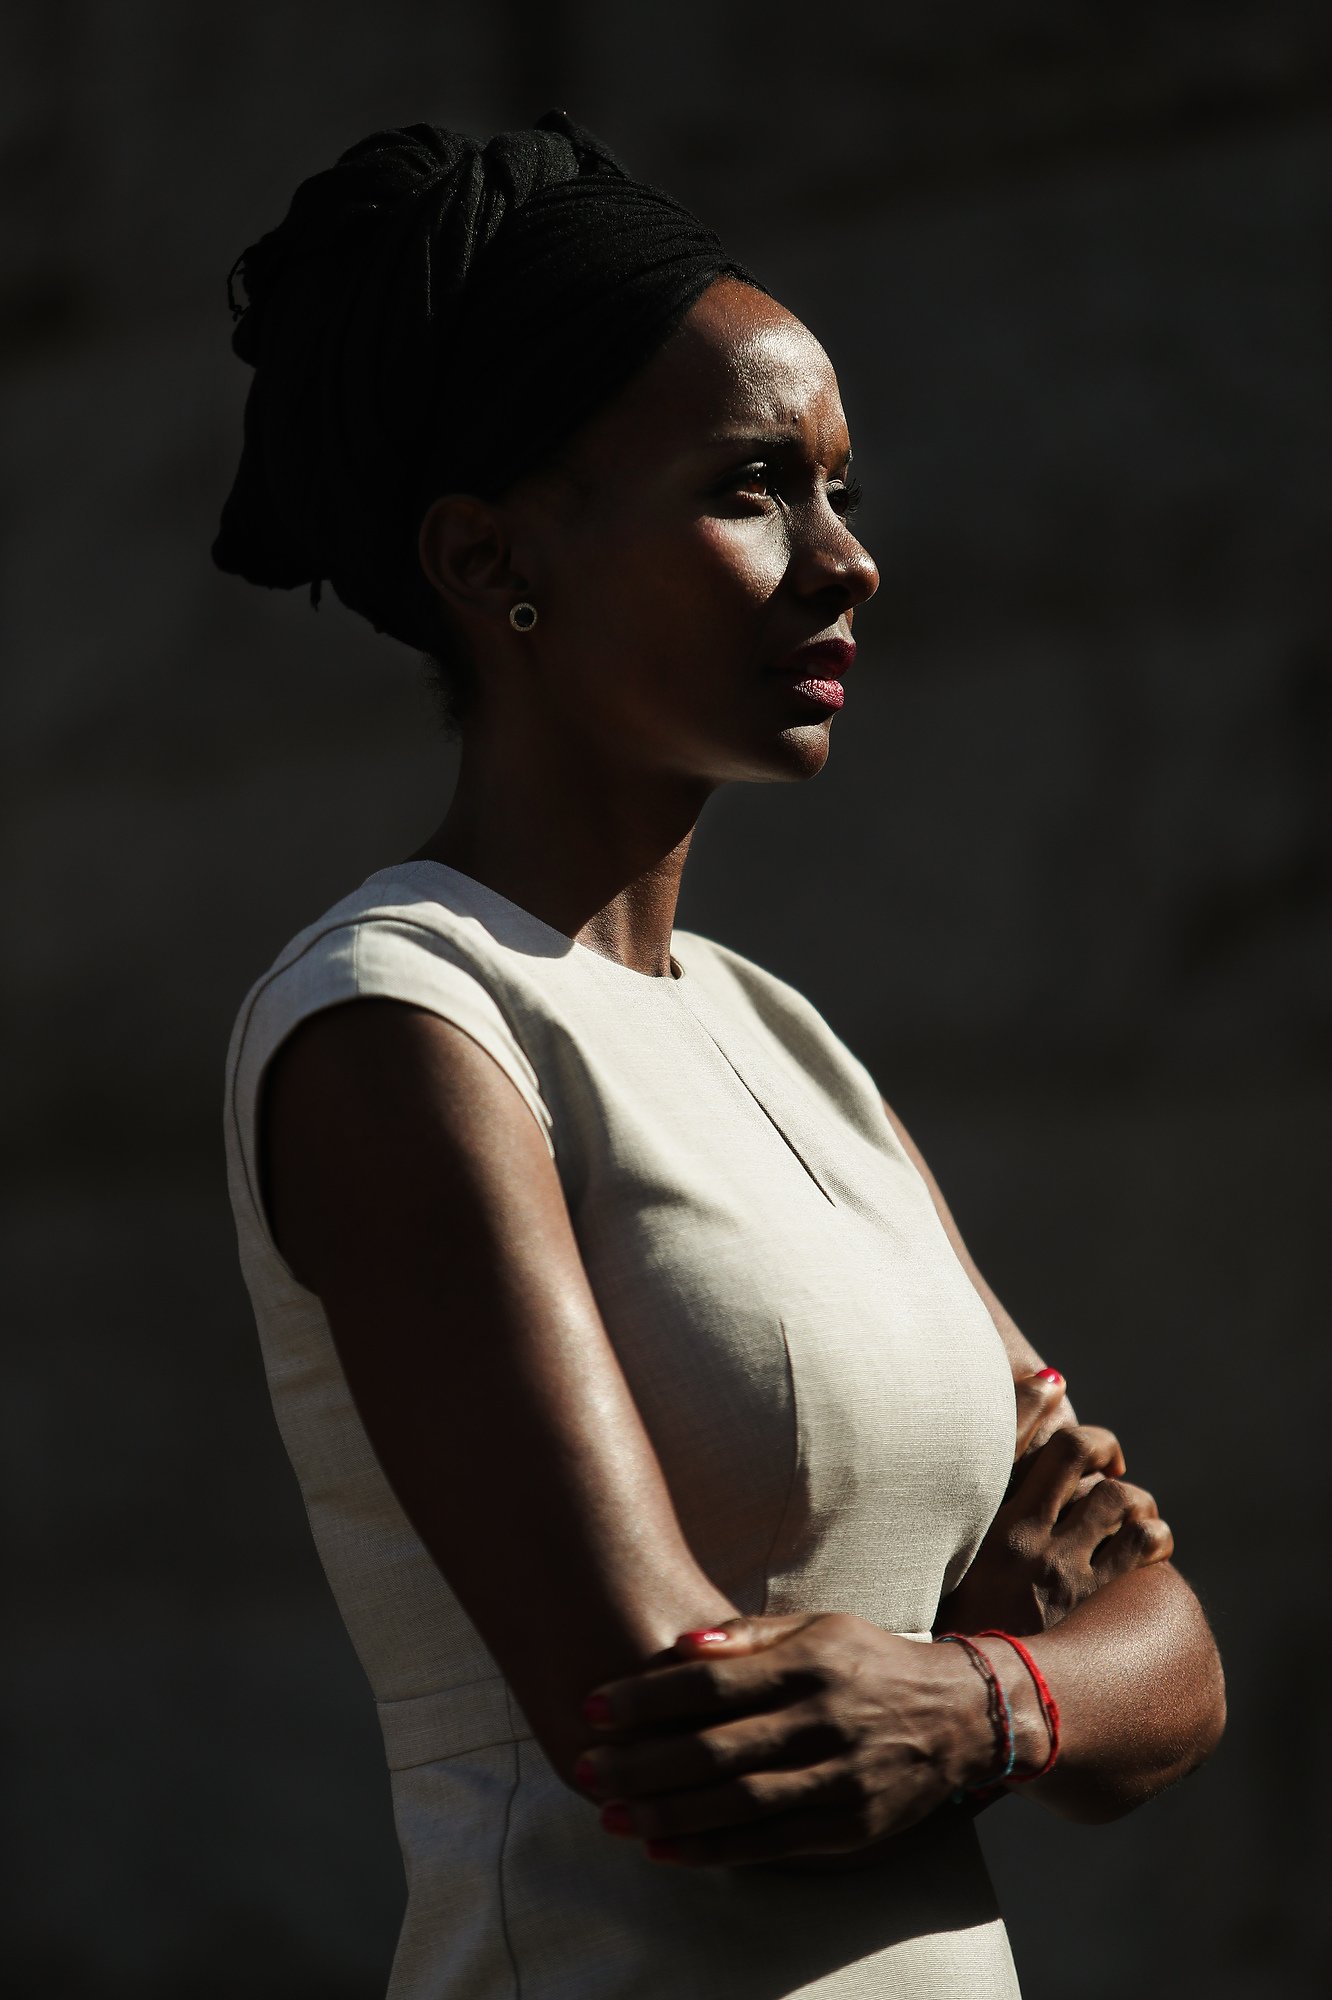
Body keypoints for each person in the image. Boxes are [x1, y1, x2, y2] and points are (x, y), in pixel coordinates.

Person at [216, 111, 1225, 1998]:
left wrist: (986, 1701)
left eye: (843, 487)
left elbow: (1172, 1663)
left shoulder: (785, 1039)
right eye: (754, 487)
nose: (845, 561)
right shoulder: (401, 1025)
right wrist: (1031, 1679)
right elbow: (682, 1737)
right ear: (489, 558)